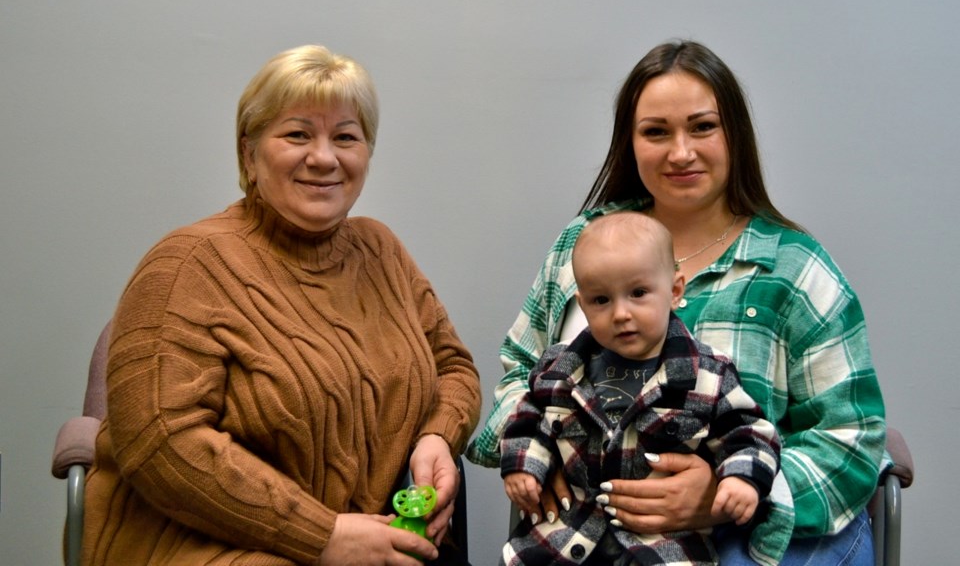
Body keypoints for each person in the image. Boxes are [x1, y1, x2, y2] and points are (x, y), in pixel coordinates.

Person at [468, 40, 886, 565]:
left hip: (742, 540)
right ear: (631, 142)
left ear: (734, 133)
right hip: (588, 531)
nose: (681, 151)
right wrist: (537, 454)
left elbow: (852, 437)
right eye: (656, 132)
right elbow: (519, 376)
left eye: (702, 127)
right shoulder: (583, 244)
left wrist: (726, 494)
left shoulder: (795, 269)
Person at [81, 45, 481, 566]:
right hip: (202, 541)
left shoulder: (380, 249)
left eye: (346, 137)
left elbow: (454, 367)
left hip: (366, 538)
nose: (324, 157)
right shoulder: (185, 264)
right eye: (297, 134)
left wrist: (435, 437)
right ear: (250, 154)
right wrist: (323, 536)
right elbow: (158, 441)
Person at [499, 212, 780, 566]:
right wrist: (523, 467)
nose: (621, 313)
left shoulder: (708, 375)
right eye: (601, 300)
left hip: (662, 548)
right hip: (564, 539)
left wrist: (741, 480)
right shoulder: (559, 370)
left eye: (638, 293)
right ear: (583, 304)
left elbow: (750, 434)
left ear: (675, 291)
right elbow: (526, 420)